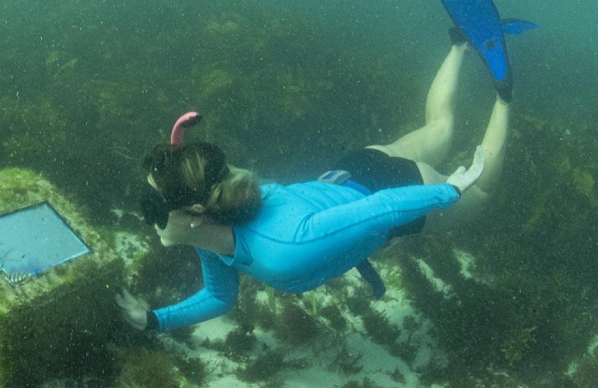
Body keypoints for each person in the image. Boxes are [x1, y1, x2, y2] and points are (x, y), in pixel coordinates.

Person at [116, 39, 509, 332]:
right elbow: (221, 296)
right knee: (439, 130)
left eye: (152, 205)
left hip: (395, 188)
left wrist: (450, 191)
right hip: (355, 167)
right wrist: (152, 320)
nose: (146, 215)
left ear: (195, 212)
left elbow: (382, 210)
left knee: (483, 193)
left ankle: (505, 94)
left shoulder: (283, 250)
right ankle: (459, 43)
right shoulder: (212, 231)